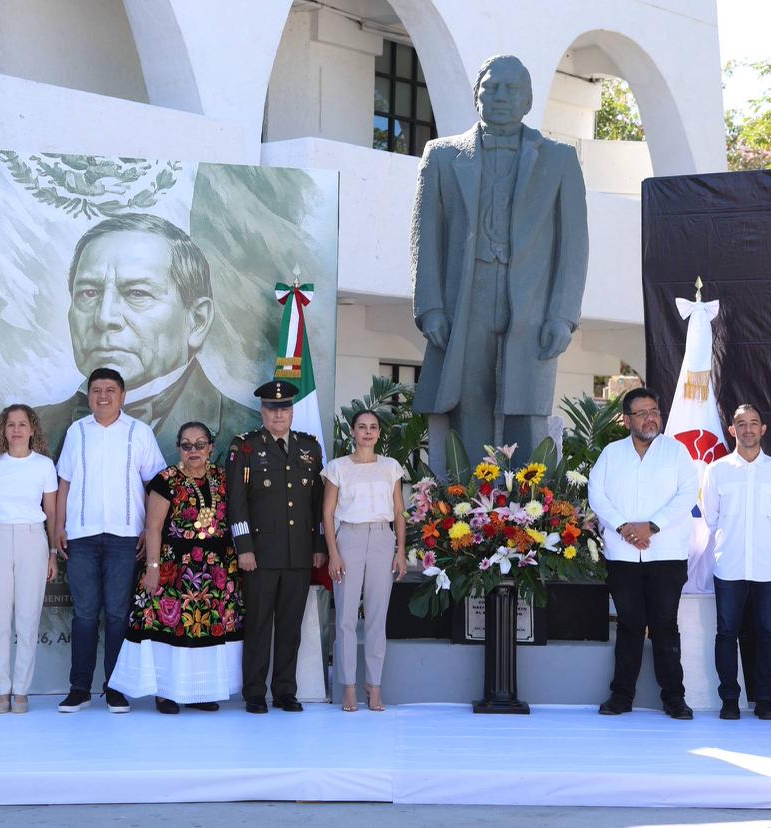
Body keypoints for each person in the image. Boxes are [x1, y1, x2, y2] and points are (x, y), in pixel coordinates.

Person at [0, 212, 258, 465]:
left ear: (197, 320)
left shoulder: (251, 440)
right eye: (89, 293)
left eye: (136, 293)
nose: (105, 317)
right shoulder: (9, 432)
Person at [410, 54, 588, 460]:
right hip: (464, 300)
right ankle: (466, 494)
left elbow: (574, 246)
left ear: (528, 100)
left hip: (531, 304)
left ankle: (530, 498)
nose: (501, 96)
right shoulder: (441, 156)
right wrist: (431, 308)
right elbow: (425, 235)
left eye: (512, 89)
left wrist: (563, 316)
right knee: (467, 402)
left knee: (526, 409)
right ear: (477, 95)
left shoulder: (559, 159)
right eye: (491, 87)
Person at [108, 422, 243, 713]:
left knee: (205, 629)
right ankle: (164, 693)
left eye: (200, 444)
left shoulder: (223, 478)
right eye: (186, 445)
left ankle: (200, 691)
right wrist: (152, 567)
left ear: (211, 448)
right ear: (178, 448)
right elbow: (153, 527)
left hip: (216, 572)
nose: (194, 450)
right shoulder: (166, 480)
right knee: (169, 630)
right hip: (175, 569)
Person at [54, 368, 166, 713]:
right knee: (85, 614)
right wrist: (59, 526)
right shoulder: (76, 431)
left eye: (110, 390)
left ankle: (115, 688)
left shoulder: (139, 432)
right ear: (89, 395)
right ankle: (79, 688)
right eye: (96, 390)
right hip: (82, 536)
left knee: (118, 614)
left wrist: (149, 531)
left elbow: (155, 485)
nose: (102, 396)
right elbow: (64, 483)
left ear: (122, 395)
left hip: (125, 538)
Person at [588, 387, 700, 720]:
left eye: (654, 412)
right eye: (642, 413)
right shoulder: (611, 453)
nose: (651, 418)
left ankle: (675, 699)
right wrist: (624, 527)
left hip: (666, 554)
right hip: (623, 556)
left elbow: (687, 494)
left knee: (665, 626)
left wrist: (651, 526)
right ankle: (621, 696)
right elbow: (597, 494)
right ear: (627, 420)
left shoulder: (676, 451)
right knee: (629, 625)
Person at [227, 379, 327, 713]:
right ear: (263, 411)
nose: (278, 414)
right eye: (272, 409)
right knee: (258, 625)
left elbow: (317, 503)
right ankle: (255, 692)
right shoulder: (245, 448)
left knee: (290, 627)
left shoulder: (309, 448)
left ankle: (285, 690)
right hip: (260, 554)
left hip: (299, 553)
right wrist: (244, 547)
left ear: (292, 411)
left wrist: (318, 545)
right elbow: (237, 503)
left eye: (284, 408)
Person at [700, 403, 771, 721]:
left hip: (769, 566)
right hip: (729, 564)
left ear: (763, 429)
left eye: (754, 423)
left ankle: (765, 700)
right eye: (742, 423)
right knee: (727, 633)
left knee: (769, 633)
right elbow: (711, 518)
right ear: (732, 430)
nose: (748, 429)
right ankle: (729, 699)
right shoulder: (716, 471)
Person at [0, 404, 60, 714]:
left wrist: (52, 553)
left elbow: (51, 512)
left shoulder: (44, 466)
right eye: (11, 425)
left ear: (32, 429)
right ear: (3, 431)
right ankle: (2, 689)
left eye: (23, 424)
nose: (17, 430)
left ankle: (21, 690)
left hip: (33, 539)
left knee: (27, 619)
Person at [323, 410, 407, 712]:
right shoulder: (338, 467)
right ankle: (348, 686)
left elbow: (399, 511)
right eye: (362, 427)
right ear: (353, 431)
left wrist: (400, 550)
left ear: (379, 433)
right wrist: (333, 552)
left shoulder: (390, 467)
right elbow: (327, 513)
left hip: (383, 537)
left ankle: (374, 684)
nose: (368, 432)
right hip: (350, 537)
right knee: (346, 616)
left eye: (373, 427)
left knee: (376, 615)